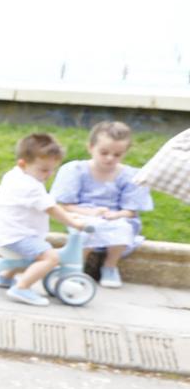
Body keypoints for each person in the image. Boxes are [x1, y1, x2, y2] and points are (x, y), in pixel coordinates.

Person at [0, 133, 94, 306]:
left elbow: (43, 205)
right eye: (44, 170)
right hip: (16, 235)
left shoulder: (16, 175)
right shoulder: (31, 187)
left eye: (52, 169)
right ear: (23, 164)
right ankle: (21, 288)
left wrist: (69, 215)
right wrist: (73, 223)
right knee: (50, 257)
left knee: (30, 254)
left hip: (4, 230)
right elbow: (51, 208)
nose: (49, 174)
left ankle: (6, 277)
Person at [51, 120, 153, 288]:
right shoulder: (75, 170)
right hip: (82, 214)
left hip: (114, 217)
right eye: (104, 152)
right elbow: (64, 205)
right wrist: (90, 212)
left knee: (123, 227)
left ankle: (110, 266)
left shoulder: (130, 176)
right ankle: (76, 266)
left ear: (125, 152)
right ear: (91, 147)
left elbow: (131, 211)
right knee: (87, 228)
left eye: (117, 154)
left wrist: (116, 214)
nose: (110, 158)